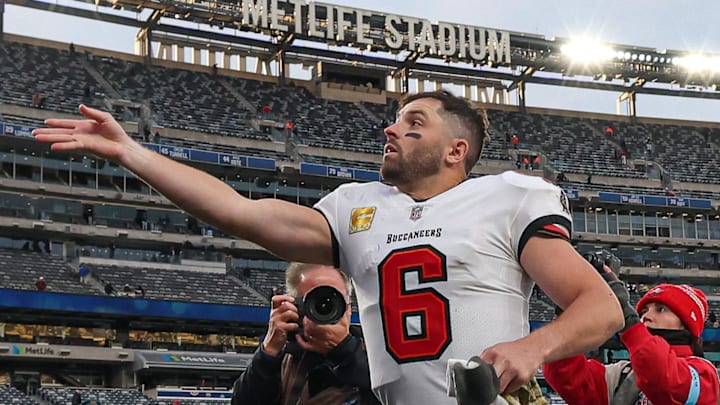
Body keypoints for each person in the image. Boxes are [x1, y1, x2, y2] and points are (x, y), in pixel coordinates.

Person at [33, 90, 623, 405]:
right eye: (395, 119)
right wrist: (130, 152)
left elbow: (599, 307)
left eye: (414, 123)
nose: (392, 129)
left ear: (456, 151)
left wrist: (532, 347)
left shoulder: (507, 198)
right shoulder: (355, 208)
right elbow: (239, 212)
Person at [543, 266, 720, 405]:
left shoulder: (704, 374)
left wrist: (629, 320)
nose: (646, 316)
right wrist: (569, 309)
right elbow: (567, 377)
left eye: (661, 309)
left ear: (686, 324)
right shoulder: (622, 373)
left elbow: (664, 380)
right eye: (643, 311)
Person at [232, 263, 380, 405]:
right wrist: (268, 350)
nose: (325, 309)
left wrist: (345, 351)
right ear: (294, 306)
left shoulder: (378, 352)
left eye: (334, 300)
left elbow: (396, 396)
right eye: (316, 301)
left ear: (349, 308)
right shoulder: (284, 357)